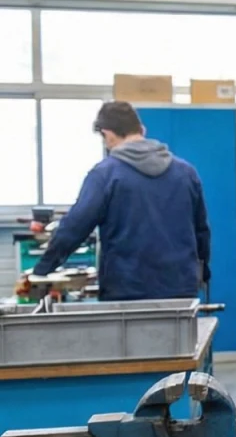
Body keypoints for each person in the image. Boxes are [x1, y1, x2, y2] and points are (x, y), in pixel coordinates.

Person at [27, 101, 210, 301]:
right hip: (180, 290)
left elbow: (74, 228)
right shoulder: (186, 173)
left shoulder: (105, 175)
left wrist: (42, 270)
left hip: (127, 293)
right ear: (142, 130)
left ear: (108, 134)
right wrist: (202, 273)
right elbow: (201, 232)